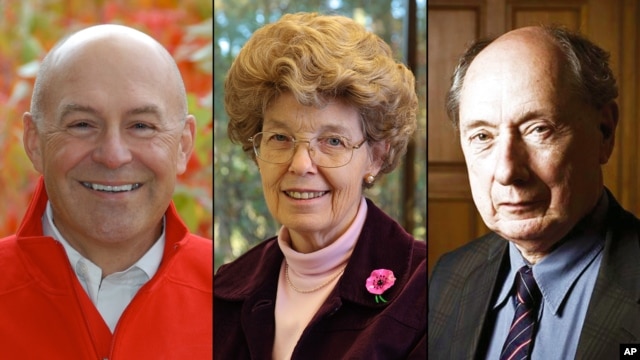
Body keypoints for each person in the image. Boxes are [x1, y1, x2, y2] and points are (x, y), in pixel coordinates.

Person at [215, 12, 426, 359]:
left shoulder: (425, 289)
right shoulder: (223, 291)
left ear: (374, 156)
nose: (300, 165)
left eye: (332, 141)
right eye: (280, 137)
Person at [428, 24, 640, 359]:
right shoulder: (446, 278)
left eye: (538, 129)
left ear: (605, 131)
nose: (508, 171)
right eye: (482, 136)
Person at [0, 24, 212, 358]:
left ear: (183, 145)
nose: (113, 156)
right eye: (82, 124)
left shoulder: (242, 301)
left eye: (141, 126)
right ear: (34, 141)